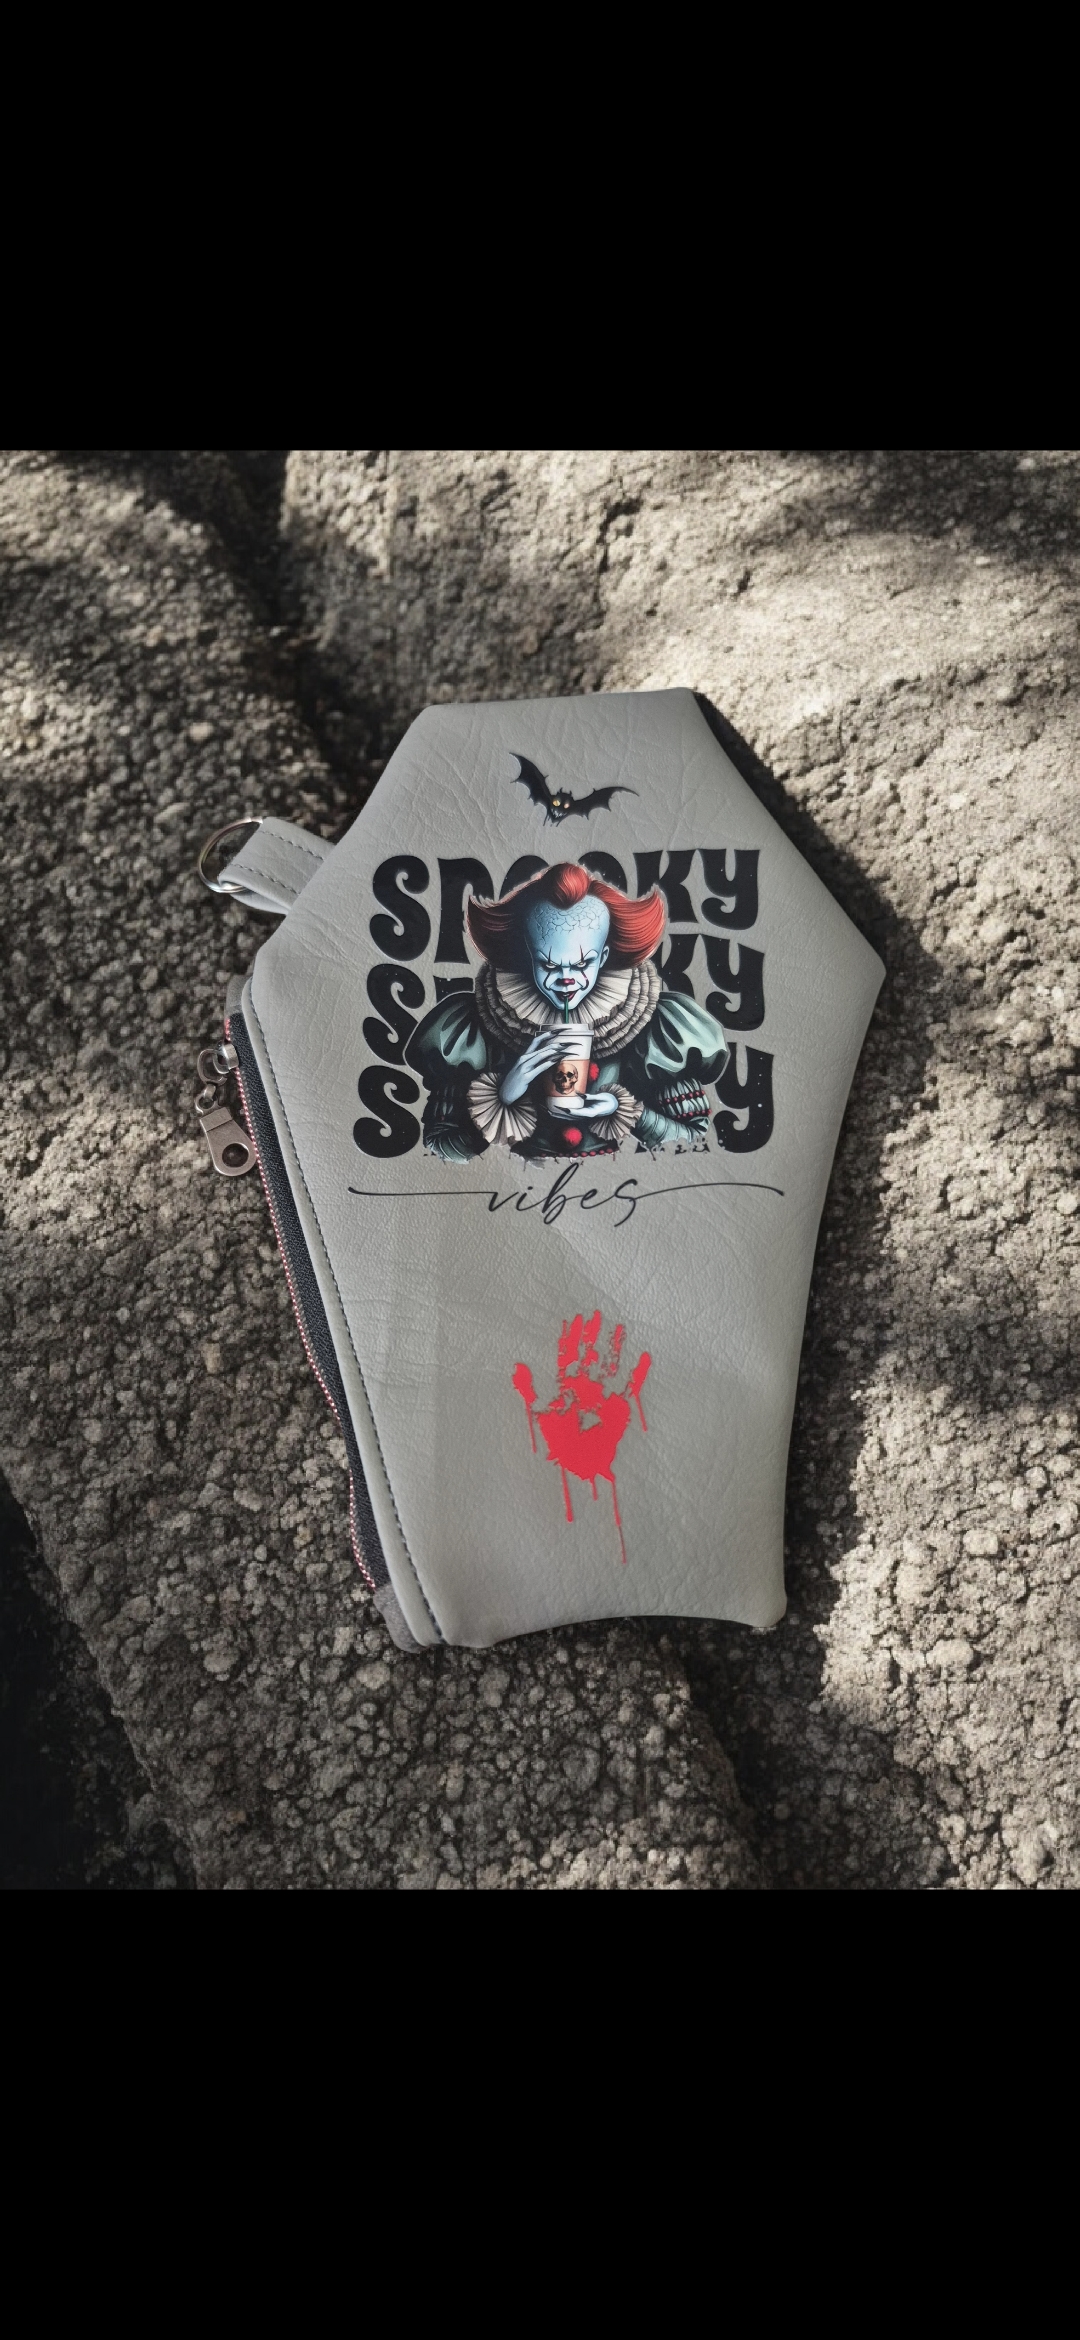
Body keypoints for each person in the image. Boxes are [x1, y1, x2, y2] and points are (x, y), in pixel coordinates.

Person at [405, 861, 729, 1162]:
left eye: (582, 963)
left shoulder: (659, 1023)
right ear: (527, 956)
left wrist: (622, 1110)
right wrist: (503, 1095)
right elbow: (439, 1148)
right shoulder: (470, 1023)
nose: (566, 980)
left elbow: (697, 1142)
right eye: (549, 964)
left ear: (603, 957)